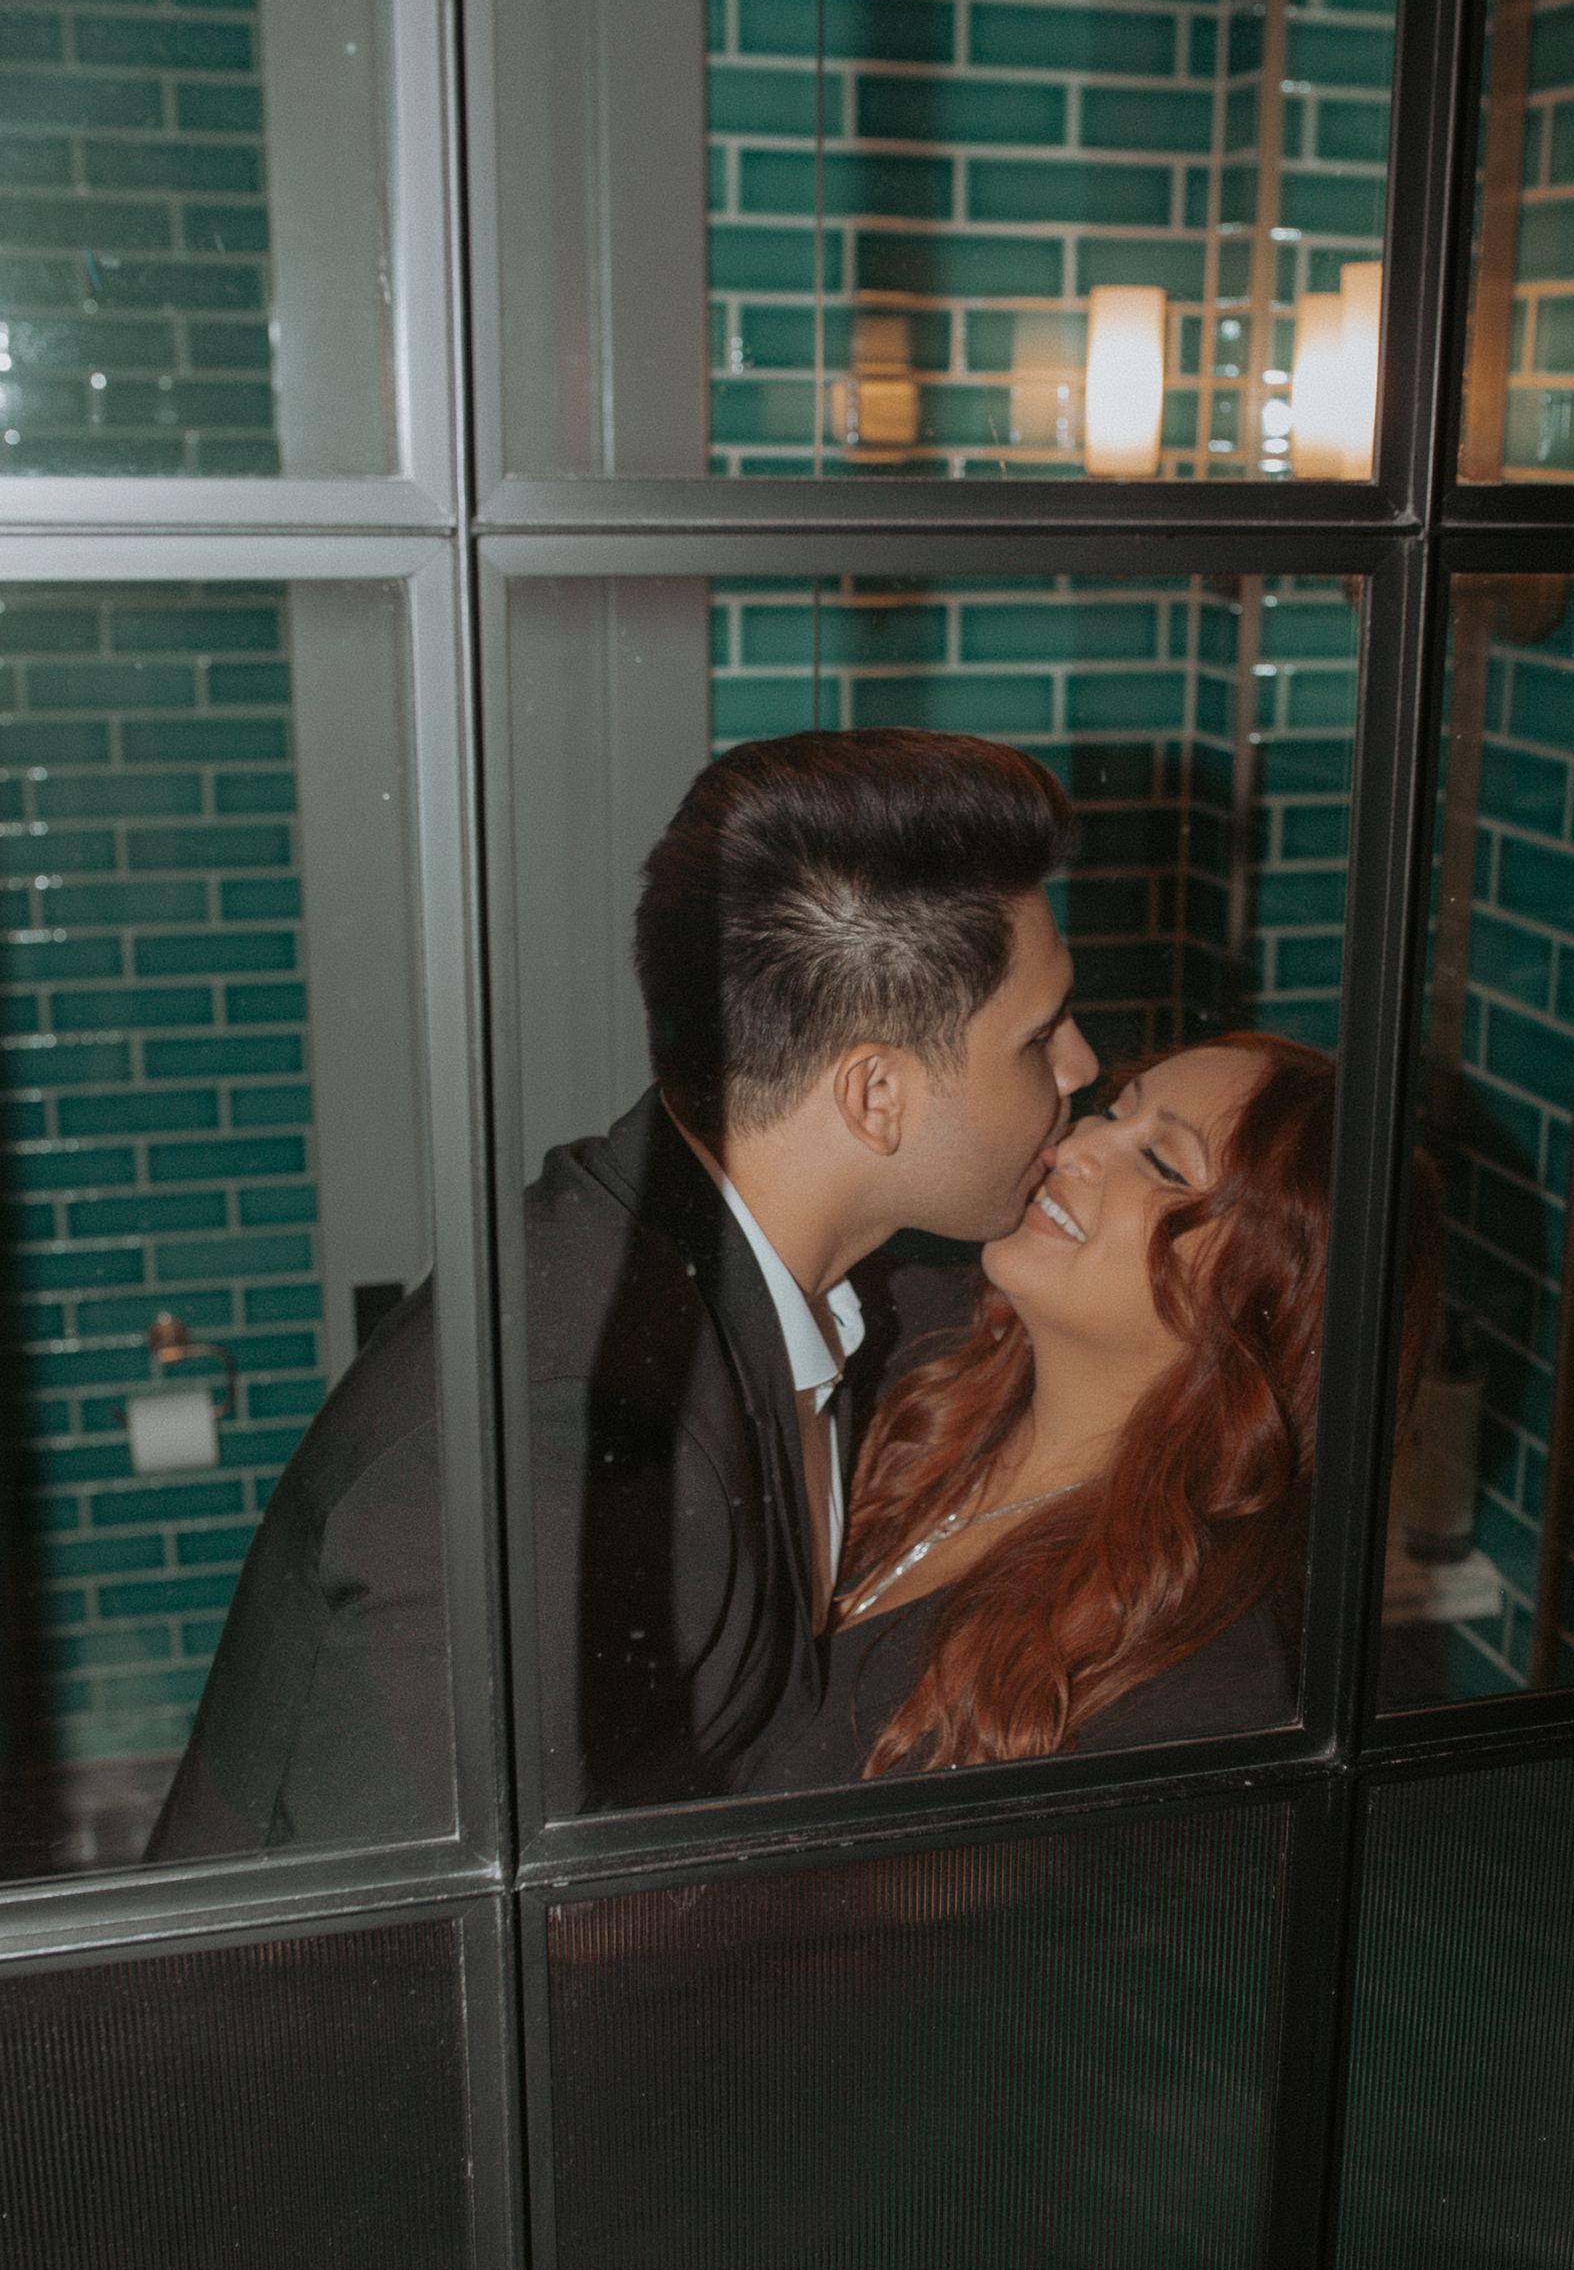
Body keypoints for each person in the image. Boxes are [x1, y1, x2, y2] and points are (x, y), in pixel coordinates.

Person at [147, 729, 1096, 1857]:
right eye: (1039, 1036)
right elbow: (402, 1962)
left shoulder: (764, 1283)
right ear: (875, 1097)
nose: (1081, 1066)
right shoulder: (574, 1429)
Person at [743, 1032, 1441, 1792]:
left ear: (1266, 1301)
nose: (1077, 1144)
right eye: (1113, 1111)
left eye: (1161, 1163)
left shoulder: (1202, 1691)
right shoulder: (893, 1336)